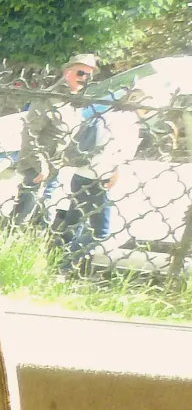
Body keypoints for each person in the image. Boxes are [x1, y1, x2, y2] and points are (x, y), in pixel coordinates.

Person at [58, 83, 148, 273]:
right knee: (101, 231)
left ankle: (57, 261)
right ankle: (63, 266)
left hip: (81, 174)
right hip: (99, 179)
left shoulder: (107, 114)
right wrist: (115, 172)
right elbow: (120, 153)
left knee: (75, 223)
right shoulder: (131, 123)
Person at [13, 54, 97, 223]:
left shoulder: (75, 102)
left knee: (45, 220)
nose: (85, 78)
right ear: (67, 72)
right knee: (22, 218)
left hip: (57, 169)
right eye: (81, 73)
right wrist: (40, 166)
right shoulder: (48, 99)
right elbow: (30, 134)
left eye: (89, 75)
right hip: (36, 168)